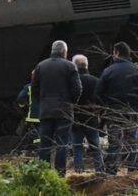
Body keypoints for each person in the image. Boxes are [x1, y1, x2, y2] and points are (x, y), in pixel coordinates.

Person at [96, 43, 138, 174]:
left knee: (114, 143)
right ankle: (133, 170)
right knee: (132, 142)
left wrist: (104, 109)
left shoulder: (108, 71)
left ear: (117, 53)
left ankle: (111, 170)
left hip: (114, 112)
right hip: (132, 111)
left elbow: (98, 93)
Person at [32, 40, 82, 176]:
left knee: (45, 143)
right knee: (62, 144)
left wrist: (42, 101)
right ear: (64, 52)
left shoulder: (40, 66)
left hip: (45, 111)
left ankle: (43, 172)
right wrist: (72, 102)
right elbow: (77, 89)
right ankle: (60, 174)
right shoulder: (70, 66)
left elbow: (34, 89)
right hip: (64, 111)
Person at [70, 54, 103, 174]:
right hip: (92, 119)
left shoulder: (71, 81)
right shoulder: (96, 81)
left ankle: (79, 172)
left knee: (77, 147)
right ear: (86, 65)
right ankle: (100, 170)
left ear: (74, 66)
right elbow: (101, 101)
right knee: (95, 147)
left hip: (76, 119)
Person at [16, 71, 40, 151]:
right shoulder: (46, 87)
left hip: (32, 116)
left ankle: (38, 150)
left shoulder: (29, 87)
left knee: (34, 134)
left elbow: (20, 98)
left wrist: (22, 107)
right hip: (45, 115)